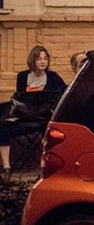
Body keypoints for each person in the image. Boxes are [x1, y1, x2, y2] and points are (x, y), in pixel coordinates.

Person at [2, 45, 68, 181]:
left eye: (45, 59)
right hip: (26, 117)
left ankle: (49, 167)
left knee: (52, 129)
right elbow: (20, 98)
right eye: (39, 59)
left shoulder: (53, 77)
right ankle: (6, 167)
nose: (43, 62)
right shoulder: (22, 76)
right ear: (32, 60)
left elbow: (64, 94)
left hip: (44, 119)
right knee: (2, 126)